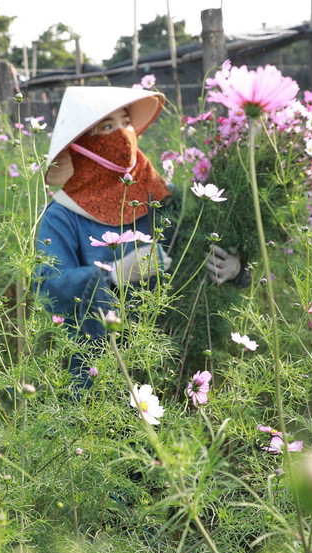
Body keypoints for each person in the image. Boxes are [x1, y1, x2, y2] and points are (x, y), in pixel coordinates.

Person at [35, 86, 240, 383]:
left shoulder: (169, 199)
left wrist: (233, 267)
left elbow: (206, 250)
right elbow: (49, 290)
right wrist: (114, 276)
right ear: (81, 145)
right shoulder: (62, 216)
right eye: (107, 127)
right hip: (101, 373)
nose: (122, 134)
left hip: (177, 364)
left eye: (126, 122)